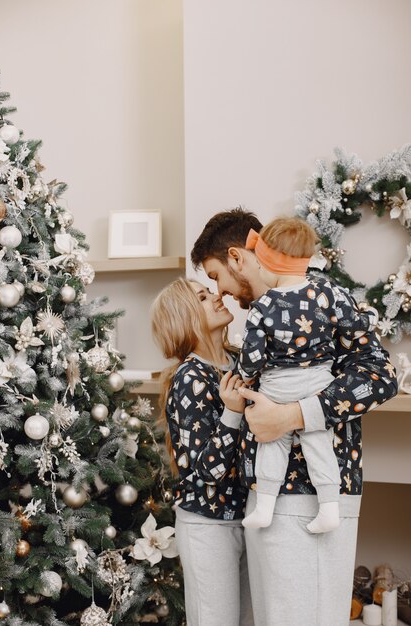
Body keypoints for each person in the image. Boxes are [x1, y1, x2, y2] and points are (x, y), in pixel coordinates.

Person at [191, 207, 397, 626]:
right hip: (268, 492)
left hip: (312, 493)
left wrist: (292, 416)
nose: (223, 291)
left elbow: (381, 375)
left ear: (237, 257)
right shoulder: (265, 311)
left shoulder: (326, 297)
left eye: (216, 276)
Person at [236, 217, 378, 533]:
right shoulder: (327, 294)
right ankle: (329, 508)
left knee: (271, 445)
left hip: (277, 386)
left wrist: (245, 374)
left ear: (271, 265)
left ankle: (265, 506)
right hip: (318, 384)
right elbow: (354, 326)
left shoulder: (263, 306)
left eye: (259, 264)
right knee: (319, 446)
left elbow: (253, 356)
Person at [151, 277, 254, 626]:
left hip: (247, 514)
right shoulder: (190, 377)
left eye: (211, 291)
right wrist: (232, 411)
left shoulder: (239, 362)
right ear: (186, 316)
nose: (218, 297)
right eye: (204, 296)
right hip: (208, 523)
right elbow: (208, 470)